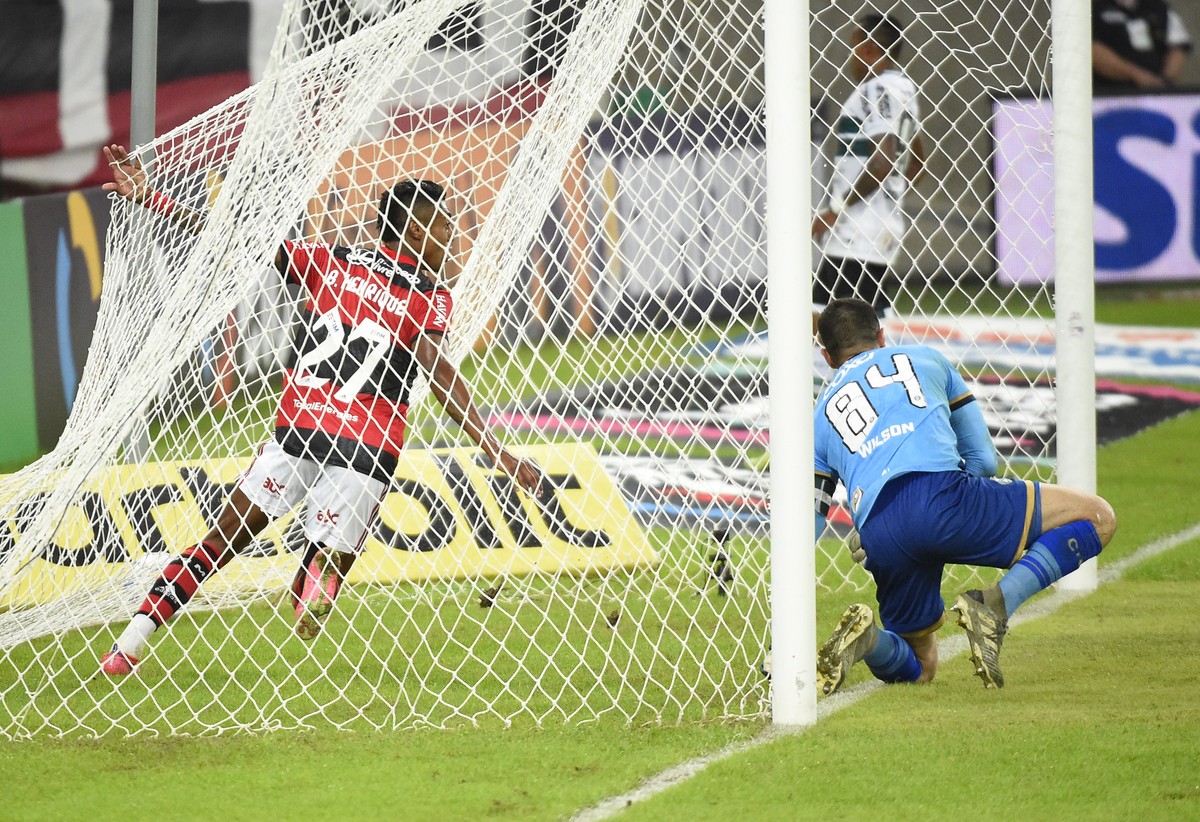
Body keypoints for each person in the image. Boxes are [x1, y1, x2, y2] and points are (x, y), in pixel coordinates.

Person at [98, 144, 544, 675]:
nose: (452, 234)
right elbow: (438, 372)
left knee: (218, 542)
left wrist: (152, 197)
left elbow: (237, 245)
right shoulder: (429, 296)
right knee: (331, 562)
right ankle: (319, 569)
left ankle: (127, 646)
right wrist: (496, 449)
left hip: (301, 429)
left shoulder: (330, 261)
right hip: (369, 446)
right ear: (413, 231)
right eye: (442, 224)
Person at [812, 299, 1117, 693]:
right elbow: (984, 461)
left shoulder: (818, 416)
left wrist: (868, 532)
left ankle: (870, 640)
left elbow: (811, 523)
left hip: (881, 531)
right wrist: (953, 510)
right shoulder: (926, 359)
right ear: (881, 335)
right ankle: (996, 605)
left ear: (827, 356)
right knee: (1097, 518)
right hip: (947, 498)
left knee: (922, 665)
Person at [812, 13, 926, 323]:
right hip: (881, 222)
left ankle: (832, 371)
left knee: (821, 317)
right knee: (870, 317)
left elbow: (884, 159)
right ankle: (888, 366)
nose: (851, 59)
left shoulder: (878, 90)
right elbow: (916, 160)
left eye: (853, 48)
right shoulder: (904, 89)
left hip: (858, 227)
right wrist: (891, 195)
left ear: (868, 49)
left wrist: (836, 208)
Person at [1092, 0, 1192, 92]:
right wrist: (1135, 75)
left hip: (1158, 92)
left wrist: (1165, 80)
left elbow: (1178, 46)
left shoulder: (1158, 7)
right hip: (1109, 93)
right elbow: (1093, 50)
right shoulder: (1093, 7)